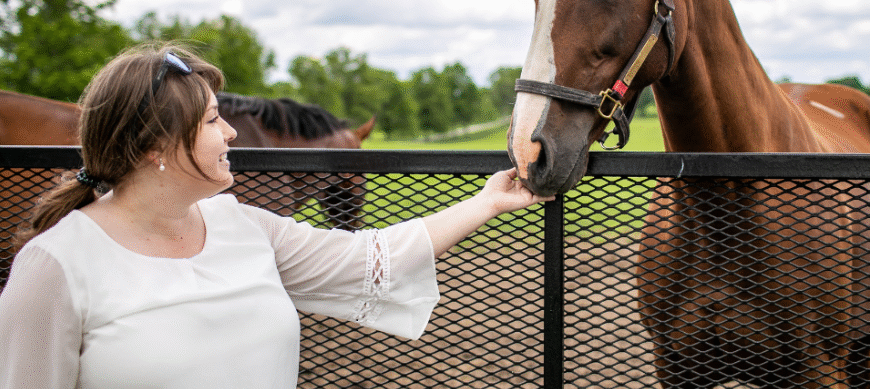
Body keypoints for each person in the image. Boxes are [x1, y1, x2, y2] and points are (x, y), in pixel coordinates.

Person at [0, 44, 553, 388]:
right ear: (156, 147)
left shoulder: (243, 224)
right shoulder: (54, 265)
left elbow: (371, 258)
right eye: (214, 121)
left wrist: (487, 201)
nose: (233, 132)